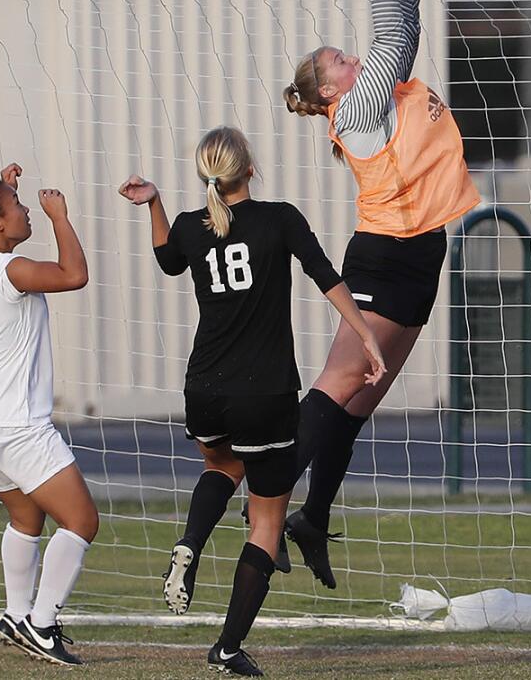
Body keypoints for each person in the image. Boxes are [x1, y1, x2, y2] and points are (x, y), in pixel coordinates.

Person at [121, 126, 384, 676]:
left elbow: (168, 259)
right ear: (250, 168)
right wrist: (365, 336)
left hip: (204, 389)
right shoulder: (279, 218)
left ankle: (191, 541)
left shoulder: (193, 229)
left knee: (221, 465)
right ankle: (228, 646)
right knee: (266, 522)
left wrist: (156, 204)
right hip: (264, 392)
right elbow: (326, 276)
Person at [278, 0, 480, 590]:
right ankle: (262, 512)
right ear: (330, 91)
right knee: (337, 386)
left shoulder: (382, 93)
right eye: (340, 61)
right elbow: (395, 35)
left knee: (363, 397)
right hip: (385, 254)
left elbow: (406, 29)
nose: (353, 61)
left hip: (420, 255)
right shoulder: (358, 109)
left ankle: (312, 515)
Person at [0, 163, 96, 665]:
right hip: (17, 426)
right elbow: (75, 275)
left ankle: (16, 614)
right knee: (81, 521)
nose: (26, 207)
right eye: (16, 205)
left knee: (26, 517)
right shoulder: (13, 271)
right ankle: (42, 623)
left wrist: (3, 184)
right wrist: (59, 217)